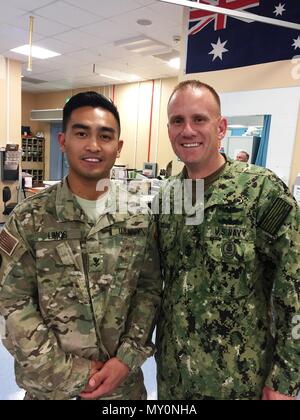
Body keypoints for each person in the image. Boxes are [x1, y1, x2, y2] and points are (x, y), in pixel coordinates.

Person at [0, 91, 161, 400]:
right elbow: (13, 304)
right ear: (63, 141)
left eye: (105, 135)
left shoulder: (139, 216)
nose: (93, 146)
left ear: (118, 147)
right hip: (50, 387)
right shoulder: (29, 219)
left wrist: (126, 359)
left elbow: (149, 290)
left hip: (121, 389)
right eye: (81, 133)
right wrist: (71, 373)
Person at [156, 80, 300, 400]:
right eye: (178, 121)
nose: (187, 130)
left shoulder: (262, 191)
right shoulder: (166, 199)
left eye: (199, 119)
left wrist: (286, 379)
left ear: (220, 127)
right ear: (169, 130)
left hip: (239, 381)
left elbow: (295, 287)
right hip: (174, 379)